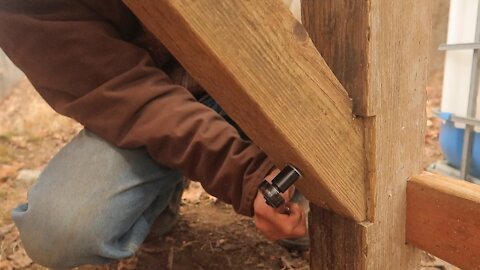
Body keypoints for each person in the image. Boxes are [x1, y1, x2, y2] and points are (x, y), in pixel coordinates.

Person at [0, 1, 307, 268]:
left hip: (254, 70)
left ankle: (310, 191)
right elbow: (130, 97)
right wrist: (249, 179)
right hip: (151, 104)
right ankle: (164, 195)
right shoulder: (19, 7)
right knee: (57, 232)